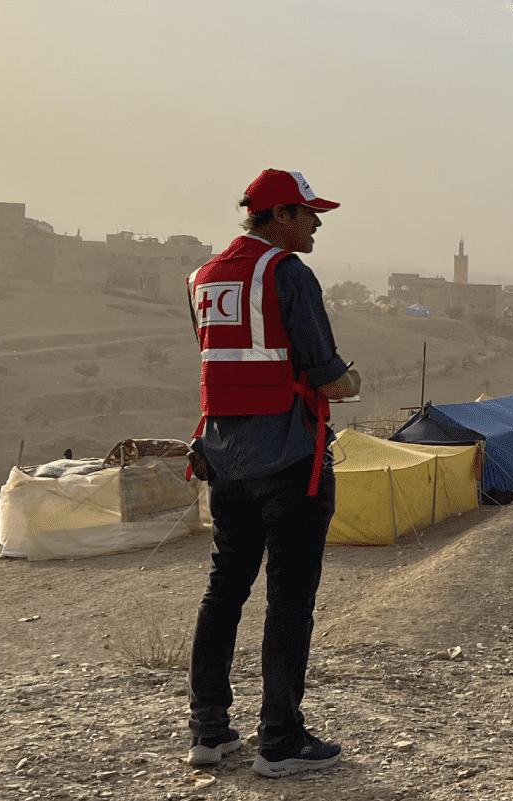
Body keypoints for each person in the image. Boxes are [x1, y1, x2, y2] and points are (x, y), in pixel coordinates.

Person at [184, 168, 360, 778]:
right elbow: (325, 372)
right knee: (289, 597)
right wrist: (351, 382)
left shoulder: (203, 278)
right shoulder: (289, 275)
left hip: (224, 460)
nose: (316, 224)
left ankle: (208, 730)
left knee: (224, 590)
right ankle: (280, 742)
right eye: (309, 214)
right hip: (289, 459)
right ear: (280, 216)